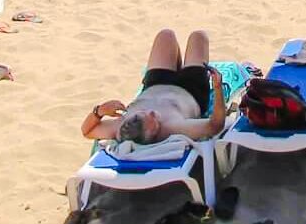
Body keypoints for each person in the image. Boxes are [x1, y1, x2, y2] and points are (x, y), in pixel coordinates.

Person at [80, 29, 228, 146]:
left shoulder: (121, 126)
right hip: (191, 89)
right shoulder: (173, 128)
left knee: (166, 35)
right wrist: (217, 88)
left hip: (155, 83)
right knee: (198, 36)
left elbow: (87, 131)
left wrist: (99, 111)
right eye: (154, 121)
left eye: (143, 113)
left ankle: (176, 66)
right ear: (155, 134)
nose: (152, 112)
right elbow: (215, 125)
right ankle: (183, 68)